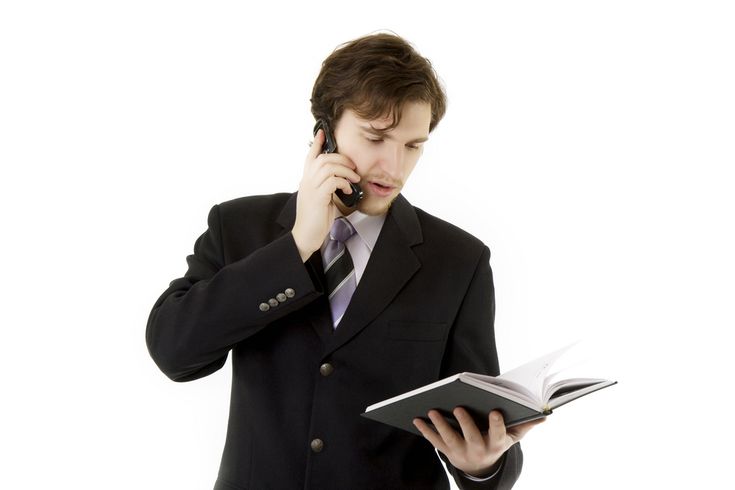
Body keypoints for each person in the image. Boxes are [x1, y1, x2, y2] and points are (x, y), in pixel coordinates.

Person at [146, 32, 542, 490]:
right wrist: (295, 246)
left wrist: (482, 465)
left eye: (413, 145)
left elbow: (483, 428)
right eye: (376, 137)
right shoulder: (238, 228)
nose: (393, 167)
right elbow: (173, 352)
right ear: (326, 132)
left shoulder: (459, 260)